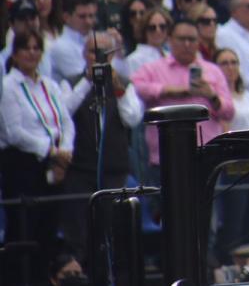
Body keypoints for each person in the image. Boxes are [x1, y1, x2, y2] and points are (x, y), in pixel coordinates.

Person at [60, 31, 144, 260]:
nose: (98, 58)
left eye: (104, 54)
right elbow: (63, 111)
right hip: (80, 170)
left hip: (114, 171)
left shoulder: (123, 84)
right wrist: (88, 81)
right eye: (92, 52)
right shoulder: (71, 83)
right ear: (83, 54)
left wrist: (117, 86)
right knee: (80, 233)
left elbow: (132, 118)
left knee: (116, 232)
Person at [1, 31, 75, 275]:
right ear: (15, 53)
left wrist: (65, 150)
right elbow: (14, 133)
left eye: (36, 48)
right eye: (26, 47)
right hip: (23, 166)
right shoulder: (8, 86)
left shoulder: (49, 84)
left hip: (55, 164)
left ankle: (45, 276)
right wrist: (51, 151)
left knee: (49, 226)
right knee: (25, 229)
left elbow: (65, 121)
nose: (31, 52)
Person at [130, 19, 233, 178]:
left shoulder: (213, 71)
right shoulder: (153, 68)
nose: (187, 44)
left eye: (191, 39)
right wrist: (169, 91)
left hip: (206, 154)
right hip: (165, 155)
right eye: (181, 39)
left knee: (208, 202)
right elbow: (137, 88)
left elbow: (229, 112)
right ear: (170, 39)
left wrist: (211, 95)